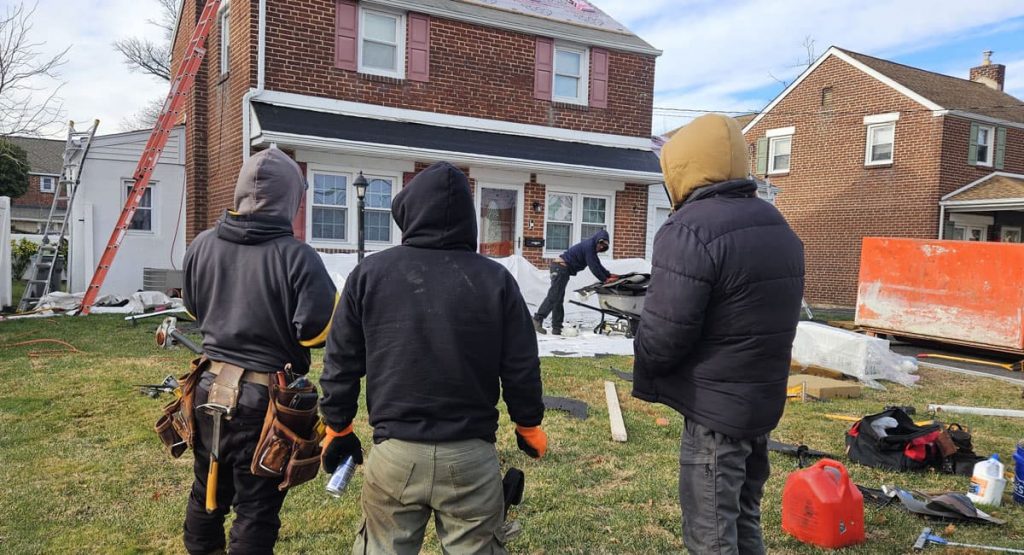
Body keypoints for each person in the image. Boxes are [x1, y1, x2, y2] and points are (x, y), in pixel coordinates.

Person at [319, 162, 547, 555]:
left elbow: (340, 361)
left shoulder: (370, 274)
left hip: (394, 456)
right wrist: (528, 424)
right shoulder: (497, 281)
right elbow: (521, 365)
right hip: (471, 458)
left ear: (408, 214)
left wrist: (337, 428)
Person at [632, 114, 805, 554]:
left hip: (716, 412)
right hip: (760, 404)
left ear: (682, 167)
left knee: (710, 533)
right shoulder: (776, 224)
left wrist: (647, 359)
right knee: (745, 516)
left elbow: (664, 335)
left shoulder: (690, 228)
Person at [181, 148, 337, 554]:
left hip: (207, 387)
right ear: (290, 199)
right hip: (264, 400)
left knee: (205, 489)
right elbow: (316, 333)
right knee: (256, 507)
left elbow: (193, 307)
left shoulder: (201, 245)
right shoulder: (297, 256)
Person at [532, 230, 617, 335]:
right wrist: (605, 279)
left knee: (558, 298)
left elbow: (597, 264)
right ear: (597, 240)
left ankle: (557, 328)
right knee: (554, 296)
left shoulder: (591, 248)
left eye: (604, 245)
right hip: (560, 269)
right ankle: (537, 319)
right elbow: (594, 267)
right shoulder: (589, 247)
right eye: (600, 243)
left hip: (561, 269)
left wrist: (608, 275)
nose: (601, 247)